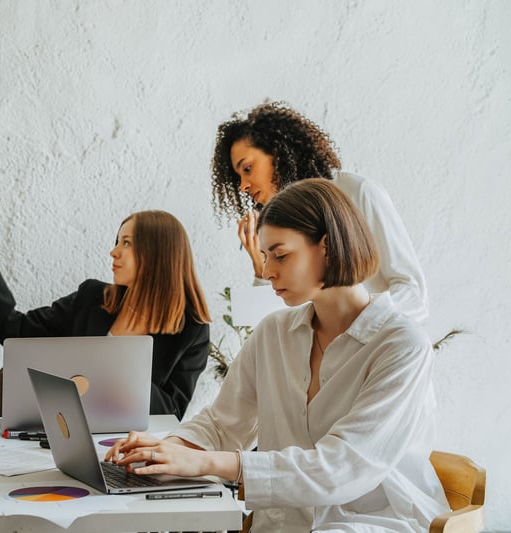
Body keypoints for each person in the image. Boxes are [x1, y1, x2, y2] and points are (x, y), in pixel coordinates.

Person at [106, 180, 449, 532]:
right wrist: (162, 449)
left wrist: (205, 463)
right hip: (283, 523)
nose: (268, 270)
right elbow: (224, 423)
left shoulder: (402, 345)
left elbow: (342, 469)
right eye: (265, 256)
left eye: (280, 255)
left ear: (327, 247)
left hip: (372, 523)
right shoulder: (273, 333)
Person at [0, 210, 211, 420]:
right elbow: (13, 331)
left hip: (131, 447)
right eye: (118, 241)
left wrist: (119, 367)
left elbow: (172, 413)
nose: (113, 252)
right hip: (69, 433)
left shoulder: (192, 329)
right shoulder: (92, 298)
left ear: (159, 254)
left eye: (126, 243)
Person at [211, 101, 429, 322]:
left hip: (373, 350)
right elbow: (271, 326)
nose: (242, 186)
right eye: (238, 177)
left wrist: (356, 326)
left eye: (247, 168)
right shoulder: (278, 227)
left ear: (278, 154)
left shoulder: (357, 193)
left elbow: (413, 294)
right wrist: (261, 265)